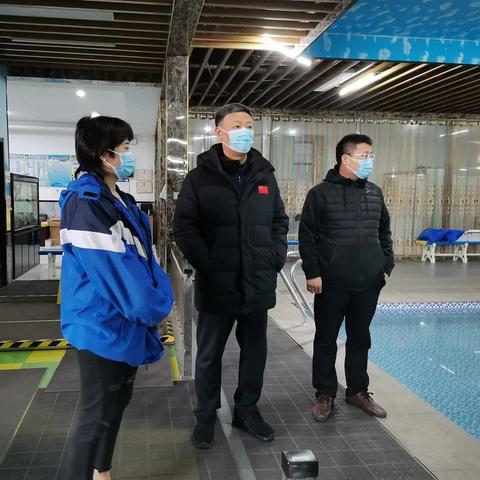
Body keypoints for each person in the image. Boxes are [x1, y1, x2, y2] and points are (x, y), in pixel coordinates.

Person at [60, 115, 174, 480]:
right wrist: (153, 309)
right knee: (95, 414)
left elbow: (146, 259)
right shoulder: (86, 203)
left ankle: (101, 472)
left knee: (116, 403)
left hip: (125, 322)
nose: (129, 155)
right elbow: (115, 271)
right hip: (102, 325)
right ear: (104, 155)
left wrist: (160, 301)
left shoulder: (120, 199)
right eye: (125, 148)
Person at [173, 103, 289, 449]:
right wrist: (208, 265)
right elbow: (184, 227)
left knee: (255, 353)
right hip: (217, 283)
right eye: (237, 125)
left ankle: (246, 410)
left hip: (256, 281)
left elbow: (279, 221)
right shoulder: (199, 178)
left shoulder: (264, 175)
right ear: (219, 132)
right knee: (209, 354)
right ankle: (205, 415)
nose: (245, 131)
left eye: (249, 125)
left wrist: (274, 258)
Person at [299, 134, 394, 422]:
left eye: (372, 156)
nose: (370, 161)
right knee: (326, 339)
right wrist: (313, 273)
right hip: (332, 282)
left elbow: (384, 232)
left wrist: (385, 265)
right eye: (365, 156)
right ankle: (325, 393)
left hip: (368, 282)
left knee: (360, 339)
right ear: (346, 158)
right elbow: (307, 236)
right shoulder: (320, 194)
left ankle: (357, 391)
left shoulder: (375, 192)